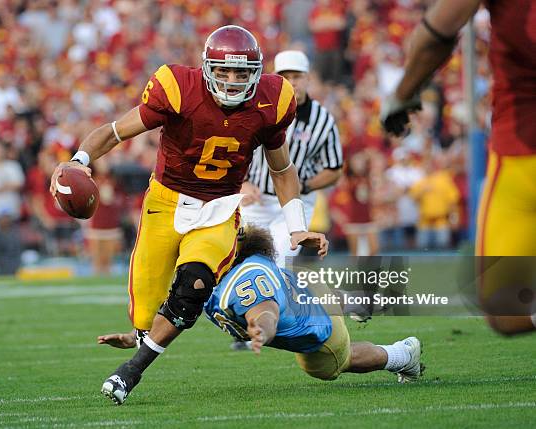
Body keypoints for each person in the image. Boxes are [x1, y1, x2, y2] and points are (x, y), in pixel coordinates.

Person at [50, 25, 328, 405]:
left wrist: (296, 227)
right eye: (224, 71)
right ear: (207, 68)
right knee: (145, 318)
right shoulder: (178, 88)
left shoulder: (273, 100)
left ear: (257, 73)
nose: (232, 81)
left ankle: (131, 372)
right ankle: (144, 336)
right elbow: (115, 132)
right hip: (164, 204)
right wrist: (79, 160)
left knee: (194, 284)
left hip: (220, 208)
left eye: (242, 73)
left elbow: (281, 169)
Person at [380, 0, 536, 335]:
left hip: (524, 150)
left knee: (505, 306)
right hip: (521, 146)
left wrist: (403, 94)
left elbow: (438, 32)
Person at [99, 226, 423, 384]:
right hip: (307, 289)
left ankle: (402, 354)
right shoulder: (218, 274)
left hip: (317, 333)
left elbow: (264, 310)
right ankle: (359, 301)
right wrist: (137, 336)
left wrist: (261, 331)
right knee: (307, 291)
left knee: (336, 362)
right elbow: (174, 318)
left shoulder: (242, 280)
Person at [241, 50, 343, 267]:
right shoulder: (258, 108)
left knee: (277, 263)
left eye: (296, 77)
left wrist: (304, 185)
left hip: (297, 202)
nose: (291, 82)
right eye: (285, 77)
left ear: (308, 78)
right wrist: (242, 183)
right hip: (256, 199)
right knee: (240, 260)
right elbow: (236, 149)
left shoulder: (322, 119)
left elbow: (334, 169)